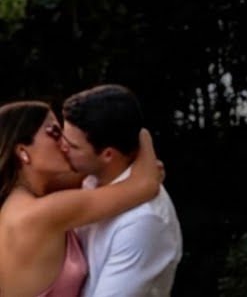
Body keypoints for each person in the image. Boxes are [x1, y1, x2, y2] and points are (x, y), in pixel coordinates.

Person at [0, 101, 161, 297]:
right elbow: (144, 185)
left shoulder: (19, 201)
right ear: (23, 152)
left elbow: (96, 166)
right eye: (53, 131)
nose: (64, 141)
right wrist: (141, 135)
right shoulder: (42, 213)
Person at [61, 85, 182, 297]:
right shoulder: (88, 179)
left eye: (73, 146)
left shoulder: (142, 221)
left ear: (108, 154)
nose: (62, 148)